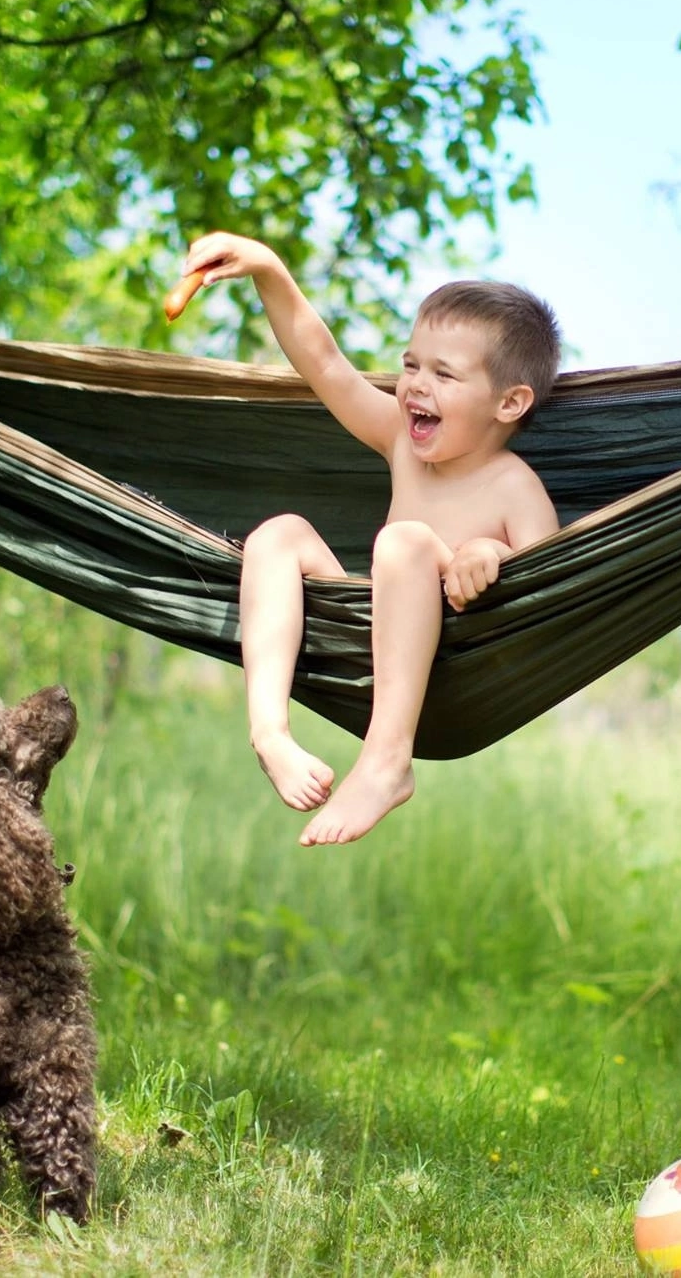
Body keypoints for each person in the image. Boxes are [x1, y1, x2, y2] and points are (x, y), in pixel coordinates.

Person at [178, 232, 561, 846]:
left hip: (457, 667)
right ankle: (269, 731)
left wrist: (491, 555)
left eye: (444, 373)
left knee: (403, 542)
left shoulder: (513, 487)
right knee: (278, 535)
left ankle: (387, 762)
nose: (414, 385)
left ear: (510, 402)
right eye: (411, 364)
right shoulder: (402, 441)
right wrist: (269, 271)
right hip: (362, 637)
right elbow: (325, 363)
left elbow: (552, 588)